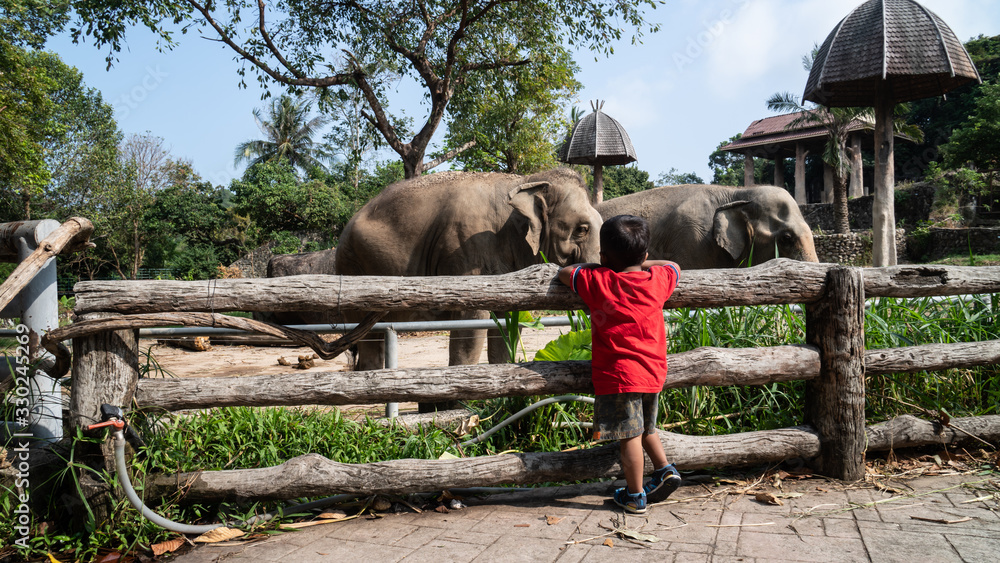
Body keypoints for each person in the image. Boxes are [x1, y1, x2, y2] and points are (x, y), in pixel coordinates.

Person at [558, 214, 682, 514]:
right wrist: (645, 264)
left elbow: (567, 272)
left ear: (603, 256)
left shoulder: (600, 280)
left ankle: (635, 495)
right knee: (647, 428)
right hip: (652, 371)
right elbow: (674, 267)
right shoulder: (656, 280)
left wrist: (600, 265)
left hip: (620, 375)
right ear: (645, 255)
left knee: (630, 438)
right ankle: (665, 469)